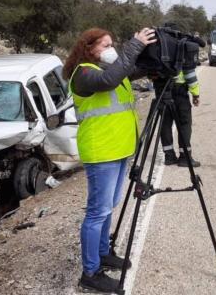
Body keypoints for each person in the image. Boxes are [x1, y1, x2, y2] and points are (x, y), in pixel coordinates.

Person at [63, 27, 156, 293]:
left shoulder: (113, 70)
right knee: (97, 212)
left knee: (108, 207)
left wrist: (153, 56)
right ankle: (90, 272)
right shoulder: (83, 74)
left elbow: (131, 70)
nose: (110, 50)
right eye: (105, 46)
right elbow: (109, 80)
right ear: (89, 48)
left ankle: (103, 252)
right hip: (101, 151)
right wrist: (134, 45)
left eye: (111, 45)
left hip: (118, 150)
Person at [153, 27, 205, 167]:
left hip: (161, 91)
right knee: (184, 124)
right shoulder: (182, 45)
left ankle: (169, 156)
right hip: (180, 93)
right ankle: (185, 157)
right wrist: (196, 94)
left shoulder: (159, 45)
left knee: (165, 125)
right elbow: (189, 74)